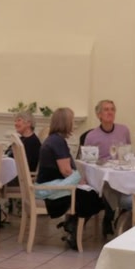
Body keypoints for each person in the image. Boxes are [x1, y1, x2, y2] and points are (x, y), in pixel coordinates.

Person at [37, 107, 104, 250]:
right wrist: (80, 181)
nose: (73, 124)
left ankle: (72, 224)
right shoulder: (57, 142)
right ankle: (73, 227)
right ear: (66, 123)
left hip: (49, 186)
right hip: (53, 193)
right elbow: (66, 171)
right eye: (72, 121)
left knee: (90, 194)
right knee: (95, 197)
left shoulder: (53, 139)